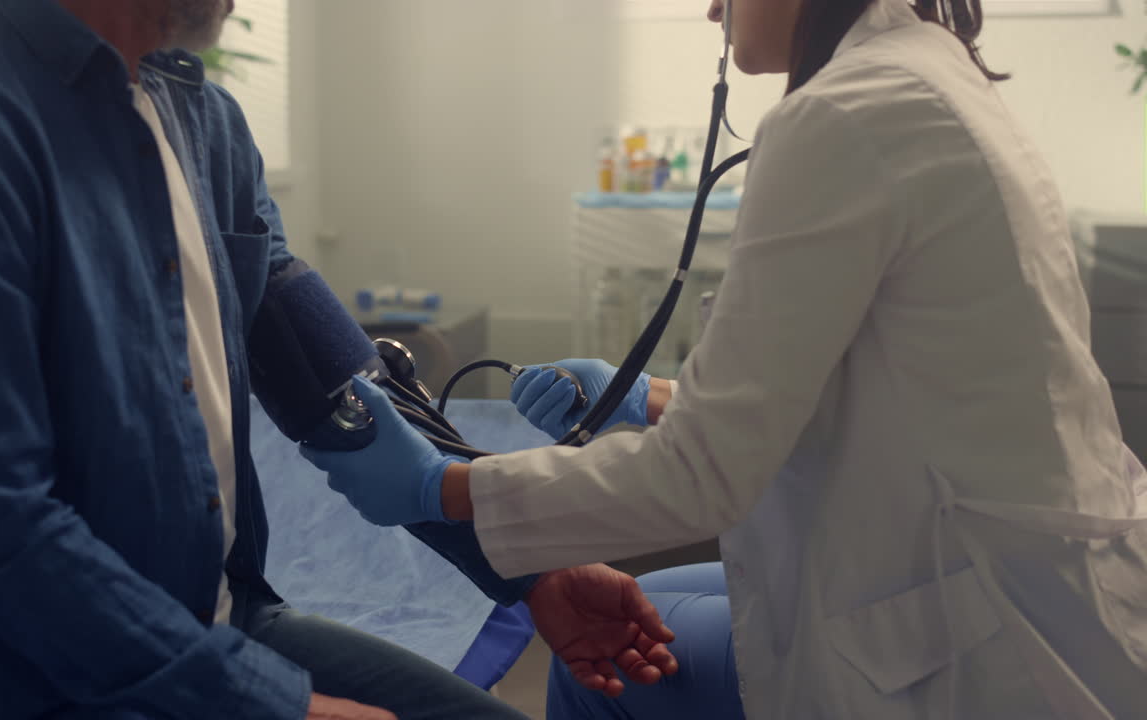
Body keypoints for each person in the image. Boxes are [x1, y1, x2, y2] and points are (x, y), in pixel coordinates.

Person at [302, 0, 1147, 717]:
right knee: (657, 605)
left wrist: (444, 488)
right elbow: (855, 380)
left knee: (600, 665)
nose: (713, 8)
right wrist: (653, 400)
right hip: (1019, 571)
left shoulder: (844, 116)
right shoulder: (929, 77)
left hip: (973, 638)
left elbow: (702, 477)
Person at [0, 1, 681, 718]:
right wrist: (268, 705)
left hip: (221, 621)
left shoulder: (206, 123)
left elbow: (337, 390)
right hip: (20, 676)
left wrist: (527, 572)